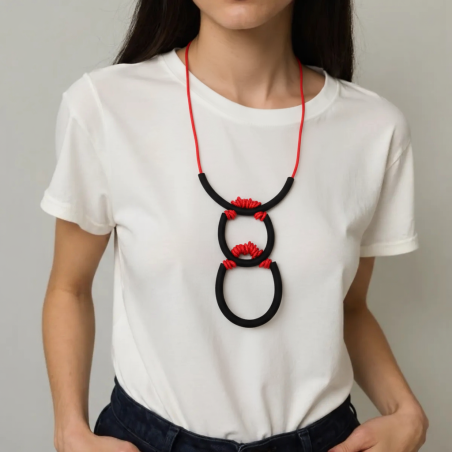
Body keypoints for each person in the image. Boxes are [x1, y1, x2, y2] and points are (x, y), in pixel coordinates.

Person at [40, 1, 429, 451]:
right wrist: (70, 430)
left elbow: (350, 309)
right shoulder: (105, 106)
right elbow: (68, 288)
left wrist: (407, 413)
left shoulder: (374, 130)